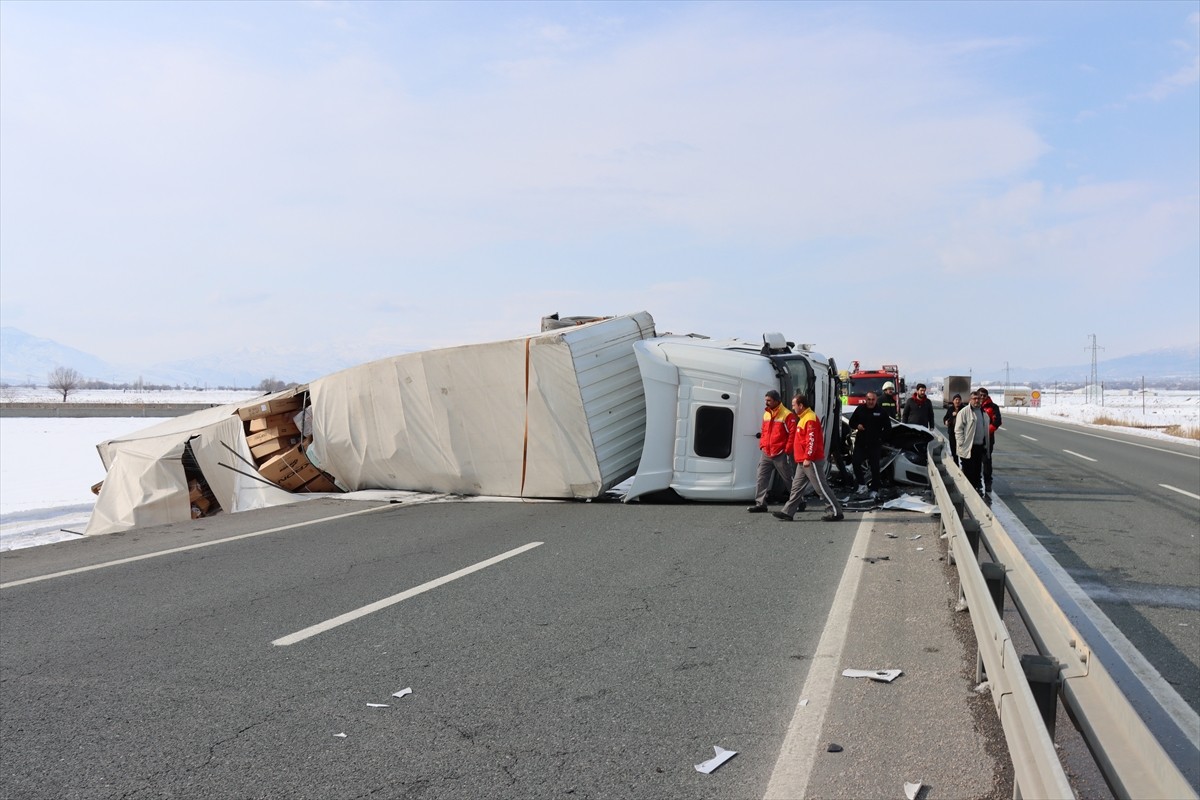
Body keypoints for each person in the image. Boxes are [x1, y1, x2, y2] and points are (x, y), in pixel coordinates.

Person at [773, 393, 844, 522]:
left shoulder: (809, 418)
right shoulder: (804, 417)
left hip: (810, 460)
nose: (793, 407)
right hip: (803, 460)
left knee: (820, 487)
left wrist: (808, 457)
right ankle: (788, 512)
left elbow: (811, 440)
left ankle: (835, 512)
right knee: (796, 488)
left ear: (801, 405)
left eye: (794, 405)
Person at [748, 389, 797, 513]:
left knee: (788, 479)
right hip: (767, 452)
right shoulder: (767, 413)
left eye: (769, 400)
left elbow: (792, 434)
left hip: (780, 452)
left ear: (776, 401)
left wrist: (787, 450)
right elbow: (764, 430)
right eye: (766, 400)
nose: (766, 403)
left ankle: (798, 502)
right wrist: (762, 445)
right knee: (761, 477)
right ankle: (760, 504)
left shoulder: (787, 414)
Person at [847, 391, 890, 498]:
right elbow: (851, 422)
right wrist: (857, 426)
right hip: (861, 443)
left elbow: (888, 428)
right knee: (856, 463)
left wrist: (880, 438)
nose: (870, 402)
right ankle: (862, 485)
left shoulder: (881, 411)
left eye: (873, 400)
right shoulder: (860, 409)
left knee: (875, 467)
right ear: (866, 399)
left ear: (876, 400)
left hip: (874, 444)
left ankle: (875, 489)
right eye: (869, 399)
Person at [954, 391, 990, 495]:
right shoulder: (964, 412)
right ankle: (968, 492)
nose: (977, 400)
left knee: (977, 470)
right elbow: (958, 429)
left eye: (978, 398)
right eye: (974, 398)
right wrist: (961, 443)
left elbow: (985, 430)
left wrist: (986, 445)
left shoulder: (984, 413)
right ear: (970, 400)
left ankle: (975, 489)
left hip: (979, 447)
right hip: (968, 447)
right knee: (968, 471)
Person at [977, 387, 1002, 497]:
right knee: (975, 461)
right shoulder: (973, 406)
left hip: (987, 438)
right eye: (980, 395)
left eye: (984, 395)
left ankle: (988, 482)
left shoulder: (993, 407)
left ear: (987, 396)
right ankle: (977, 483)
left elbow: (997, 421)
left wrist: (987, 431)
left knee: (986, 461)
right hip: (975, 439)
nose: (982, 397)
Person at [942, 393, 963, 462]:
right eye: (956, 400)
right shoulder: (950, 409)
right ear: (953, 401)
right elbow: (946, 417)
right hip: (952, 432)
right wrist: (945, 421)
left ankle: (963, 464)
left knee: (961, 449)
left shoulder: (964, 409)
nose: (957, 401)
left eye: (959, 400)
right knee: (953, 448)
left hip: (961, 433)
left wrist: (957, 414)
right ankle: (956, 462)